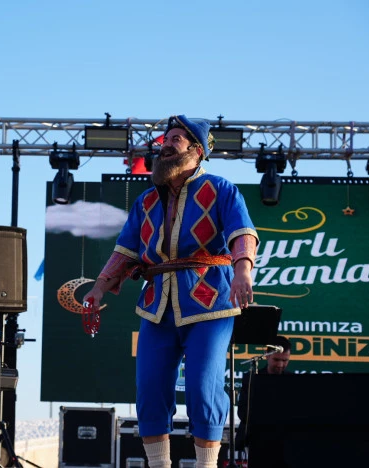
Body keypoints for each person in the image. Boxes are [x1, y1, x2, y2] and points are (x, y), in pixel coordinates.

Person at [83, 115, 259, 468]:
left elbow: (242, 232)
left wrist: (243, 271)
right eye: (166, 138)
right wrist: (98, 288)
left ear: (197, 150)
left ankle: (206, 465)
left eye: (176, 138)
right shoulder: (146, 201)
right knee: (149, 389)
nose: (166, 144)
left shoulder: (221, 189)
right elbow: (125, 250)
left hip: (209, 302)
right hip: (156, 305)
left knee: (202, 387)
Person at [235, 335, 292, 465]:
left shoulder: (292, 380)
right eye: (276, 359)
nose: (280, 365)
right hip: (257, 439)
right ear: (267, 355)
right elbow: (243, 412)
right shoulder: (252, 379)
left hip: (284, 441)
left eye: (285, 360)